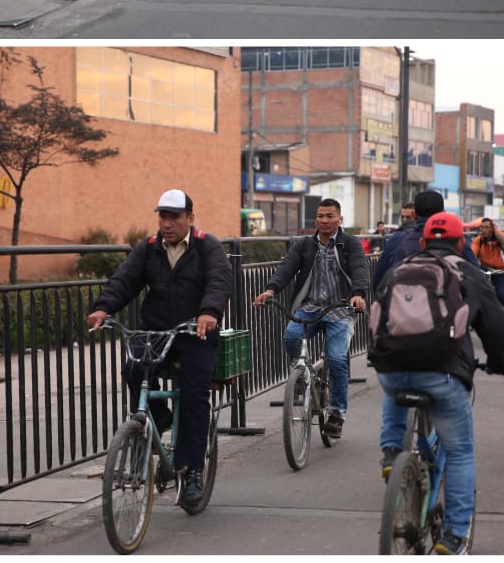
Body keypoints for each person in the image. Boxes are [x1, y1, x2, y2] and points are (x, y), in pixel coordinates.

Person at [372, 211, 504, 556]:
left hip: (390, 371)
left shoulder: (399, 270)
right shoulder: (467, 272)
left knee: (399, 370)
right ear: (461, 243)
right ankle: (454, 536)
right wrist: (500, 364)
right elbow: (495, 327)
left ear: (422, 242)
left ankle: (392, 450)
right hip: (443, 374)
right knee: (460, 450)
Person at [87, 189, 232, 505]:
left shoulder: (208, 246)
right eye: (162, 217)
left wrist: (209, 312)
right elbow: (124, 280)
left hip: (196, 333)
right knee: (132, 368)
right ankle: (159, 418)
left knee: (194, 396)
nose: (167, 223)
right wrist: (104, 308)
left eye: (174, 217)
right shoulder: (148, 249)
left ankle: (192, 471)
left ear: (189, 219)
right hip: (155, 332)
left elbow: (219, 281)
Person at [252, 197, 368, 439]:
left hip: (340, 309)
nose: (324, 221)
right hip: (309, 308)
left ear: (340, 219)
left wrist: (358, 294)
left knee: (337, 359)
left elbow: (359, 269)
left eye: (330, 216)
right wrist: (270, 289)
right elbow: (286, 268)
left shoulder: (350, 244)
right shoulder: (304, 245)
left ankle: (337, 413)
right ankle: (303, 377)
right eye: (320, 216)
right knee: (291, 335)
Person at [372, 189, 479, 293]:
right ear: (443, 214)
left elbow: (379, 281)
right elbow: (477, 277)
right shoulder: (456, 240)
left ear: (414, 215)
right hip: (450, 306)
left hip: (405, 305)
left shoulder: (397, 240)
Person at [471, 218, 504, 308]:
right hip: (485, 270)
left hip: (501, 270)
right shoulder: (478, 240)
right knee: (480, 293)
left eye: (487, 227)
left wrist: (496, 232)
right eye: (482, 228)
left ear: (492, 228)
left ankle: (502, 315)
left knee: (501, 295)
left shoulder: (499, 238)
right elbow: (473, 254)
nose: (484, 230)